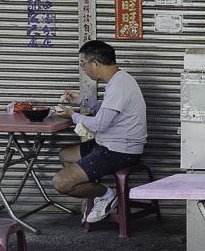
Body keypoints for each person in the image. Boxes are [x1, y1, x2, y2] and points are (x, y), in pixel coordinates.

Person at [53, 40, 148, 223]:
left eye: (83, 64)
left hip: (120, 151)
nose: (84, 68)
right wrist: (82, 100)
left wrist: (71, 115)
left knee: (61, 183)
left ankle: (106, 194)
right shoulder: (119, 80)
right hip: (108, 144)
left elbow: (99, 124)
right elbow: (106, 110)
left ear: (95, 63)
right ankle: (92, 194)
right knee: (65, 154)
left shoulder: (119, 85)